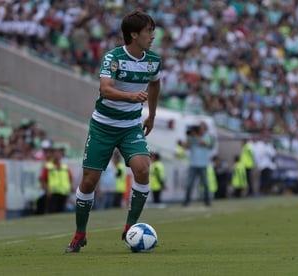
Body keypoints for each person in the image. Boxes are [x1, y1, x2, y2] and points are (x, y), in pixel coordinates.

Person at [65, 9, 162, 253]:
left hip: (130, 127)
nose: (153, 35)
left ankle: (130, 227)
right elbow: (106, 90)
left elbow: (155, 83)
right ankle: (80, 234)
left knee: (142, 169)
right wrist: (131, 96)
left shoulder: (153, 60)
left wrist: (151, 114)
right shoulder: (113, 58)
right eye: (148, 31)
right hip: (103, 127)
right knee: (89, 181)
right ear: (133, 34)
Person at [182, 122, 213, 207]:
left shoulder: (207, 136)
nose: (200, 129)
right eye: (199, 127)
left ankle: (207, 200)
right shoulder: (192, 137)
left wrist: (195, 135)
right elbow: (186, 147)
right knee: (189, 184)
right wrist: (188, 137)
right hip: (193, 164)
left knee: (205, 184)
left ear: (205, 129)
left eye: (201, 128)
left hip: (203, 164)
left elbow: (204, 144)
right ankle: (186, 201)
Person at [40, 146, 73, 213]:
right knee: (52, 211)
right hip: (52, 193)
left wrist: (70, 188)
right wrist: (47, 191)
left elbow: (70, 178)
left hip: (63, 193)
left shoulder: (65, 167)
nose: (57, 155)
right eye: (56, 154)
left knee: (61, 212)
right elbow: (43, 179)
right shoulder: (48, 166)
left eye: (59, 154)